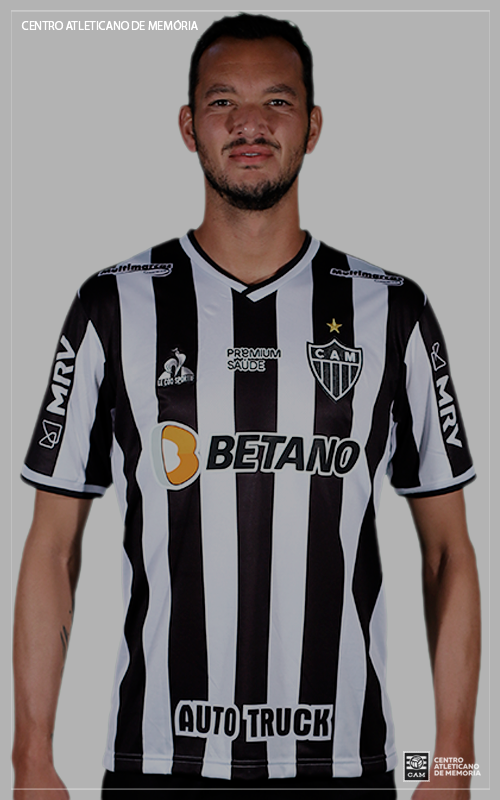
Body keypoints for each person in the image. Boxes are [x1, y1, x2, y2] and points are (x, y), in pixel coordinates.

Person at [12, 12, 480, 799]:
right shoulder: (113, 305)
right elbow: (53, 547)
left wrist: (454, 762)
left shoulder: (392, 310)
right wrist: (31, 759)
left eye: (278, 102)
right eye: (224, 102)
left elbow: (448, 553)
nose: (250, 123)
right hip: (161, 765)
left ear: (314, 126)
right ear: (188, 126)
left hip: (342, 766)